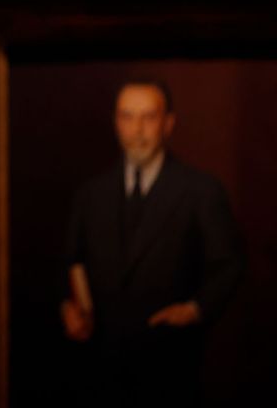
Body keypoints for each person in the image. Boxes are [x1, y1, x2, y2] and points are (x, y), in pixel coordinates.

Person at [61, 79, 243, 408]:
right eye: (127, 117)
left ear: (168, 123)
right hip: (99, 369)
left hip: (170, 368)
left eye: (148, 117)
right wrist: (68, 308)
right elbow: (70, 263)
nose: (137, 129)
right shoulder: (90, 194)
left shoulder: (201, 190)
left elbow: (228, 265)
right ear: (116, 122)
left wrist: (194, 309)